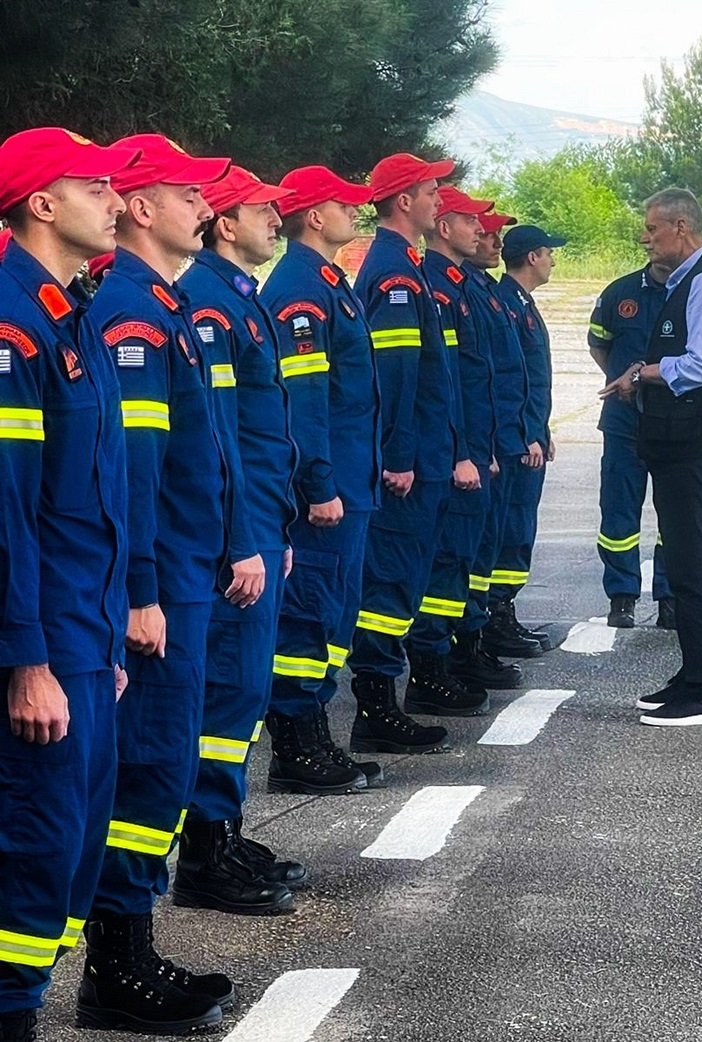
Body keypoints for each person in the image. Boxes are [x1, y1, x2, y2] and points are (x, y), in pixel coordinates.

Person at [83, 133, 236, 1033]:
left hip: (182, 571)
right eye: (187, 195)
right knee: (146, 770)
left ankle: (130, 949)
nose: (203, 210)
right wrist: (142, 589)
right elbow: (134, 470)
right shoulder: (133, 313)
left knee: (164, 765)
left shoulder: (163, 305)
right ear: (143, 208)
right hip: (159, 581)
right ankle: (117, 967)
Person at [0, 126, 135, 1042]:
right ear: (42, 202)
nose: (116, 202)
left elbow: (96, 501)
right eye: (96, 187)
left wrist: (111, 632)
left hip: (85, 635)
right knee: (31, 853)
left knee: (70, 855)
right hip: (44, 640)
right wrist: (25, 661)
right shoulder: (13, 322)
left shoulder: (66, 311)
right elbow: (5, 510)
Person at [172, 166, 301, 917]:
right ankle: (206, 847)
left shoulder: (236, 298)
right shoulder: (210, 304)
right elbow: (214, 444)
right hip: (236, 527)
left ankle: (222, 831)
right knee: (225, 693)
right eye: (264, 212)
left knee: (240, 692)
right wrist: (246, 534)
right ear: (227, 224)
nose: (274, 222)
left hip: (256, 518)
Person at [600, 188, 702, 727]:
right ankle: (691, 674)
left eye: (652, 228)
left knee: (693, 567)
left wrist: (646, 373)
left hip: (695, 442)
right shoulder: (684, 282)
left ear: (681, 228)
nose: (645, 238)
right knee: (686, 562)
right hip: (676, 442)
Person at [261, 165, 384, 793]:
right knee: (308, 615)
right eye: (345, 204)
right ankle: (295, 739)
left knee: (332, 613)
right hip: (329, 487)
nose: (355, 213)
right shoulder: (301, 291)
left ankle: (313, 732)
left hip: (350, 479)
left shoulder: (328, 282)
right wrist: (318, 483)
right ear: (314, 215)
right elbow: (304, 400)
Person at [348, 152, 471, 754]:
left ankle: (384, 700)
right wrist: (398, 455)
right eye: (430, 191)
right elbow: (393, 376)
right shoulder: (395, 275)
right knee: (391, 582)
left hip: (423, 453)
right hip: (409, 461)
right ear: (404, 201)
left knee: (406, 579)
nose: (438, 201)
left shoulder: (410, 266)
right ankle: (375, 706)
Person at [409, 183, 495, 714]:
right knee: (445, 562)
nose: (481, 233)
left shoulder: (461, 286)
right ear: (444, 228)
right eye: (470, 222)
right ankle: (432, 667)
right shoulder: (435, 288)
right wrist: (463, 449)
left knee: (464, 558)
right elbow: (441, 383)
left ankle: (459, 651)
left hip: (474, 445)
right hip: (454, 449)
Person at [450, 208, 542, 686]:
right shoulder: (473, 292)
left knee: (499, 539)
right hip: (494, 443)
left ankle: (486, 628)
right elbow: (467, 381)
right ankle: (470, 641)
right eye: (484, 232)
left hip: (503, 438)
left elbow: (513, 375)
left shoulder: (489, 294)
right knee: (479, 547)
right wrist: (488, 442)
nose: (492, 241)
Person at [491, 223, 566, 648]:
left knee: (520, 528)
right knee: (512, 529)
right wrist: (526, 434)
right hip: (517, 443)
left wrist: (542, 428)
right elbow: (508, 380)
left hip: (529, 435)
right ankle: (496, 614)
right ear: (532, 257)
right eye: (549, 252)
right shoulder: (506, 304)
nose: (553, 260)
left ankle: (505, 610)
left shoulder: (519, 303)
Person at [588, 260, 674, 629]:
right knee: (619, 509)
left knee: (674, 512)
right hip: (624, 421)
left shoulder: (692, 292)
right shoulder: (620, 292)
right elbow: (598, 345)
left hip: (673, 420)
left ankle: (670, 596)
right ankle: (622, 596)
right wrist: (622, 380)